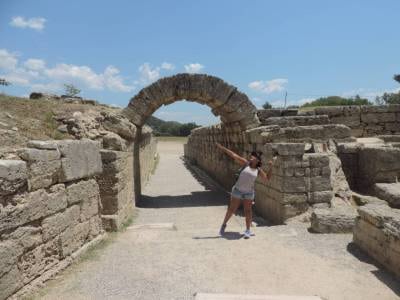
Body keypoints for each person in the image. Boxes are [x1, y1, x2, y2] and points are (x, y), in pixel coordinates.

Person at [216, 142, 274, 239]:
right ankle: (224, 224)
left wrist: (271, 167)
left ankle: (247, 230)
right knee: (231, 209)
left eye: (253, 156)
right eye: (251, 155)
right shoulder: (245, 163)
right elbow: (233, 155)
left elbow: (267, 178)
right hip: (238, 190)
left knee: (248, 211)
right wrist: (222, 148)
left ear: (258, 160)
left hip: (249, 192)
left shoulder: (258, 170)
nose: (251, 157)